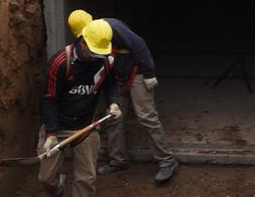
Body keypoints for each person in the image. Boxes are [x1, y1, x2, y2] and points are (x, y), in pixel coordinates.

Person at [68, 11, 178, 184]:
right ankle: (118, 160)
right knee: (114, 118)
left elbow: (139, 46)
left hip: (138, 74)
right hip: (117, 77)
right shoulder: (86, 39)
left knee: (146, 116)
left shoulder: (113, 27)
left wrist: (149, 73)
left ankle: (167, 161)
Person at [39, 19, 122, 197]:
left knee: (86, 178)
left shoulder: (106, 60)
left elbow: (111, 83)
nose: (97, 58)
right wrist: (51, 135)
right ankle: (57, 187)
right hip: (59, 126)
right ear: (82, 42)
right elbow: (49, 100)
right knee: (46, 177)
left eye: (100, 54)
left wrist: (113, 102)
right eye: (94, 53)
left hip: (86, 127)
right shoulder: (60, 63)